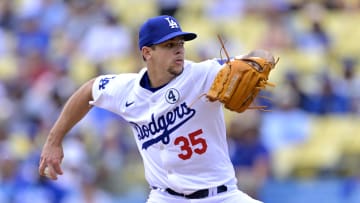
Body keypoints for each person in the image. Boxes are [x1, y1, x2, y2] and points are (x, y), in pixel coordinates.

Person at [38, 15, 263, 203]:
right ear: (147, 52)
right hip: (164, 197)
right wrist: (54, 140)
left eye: (180, 44)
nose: (179, 51)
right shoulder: (126, 90)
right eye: (169, 45)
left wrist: (260, 62)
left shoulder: (204, 74)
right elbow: (89, 89)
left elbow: (260, 56)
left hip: (221, 196)